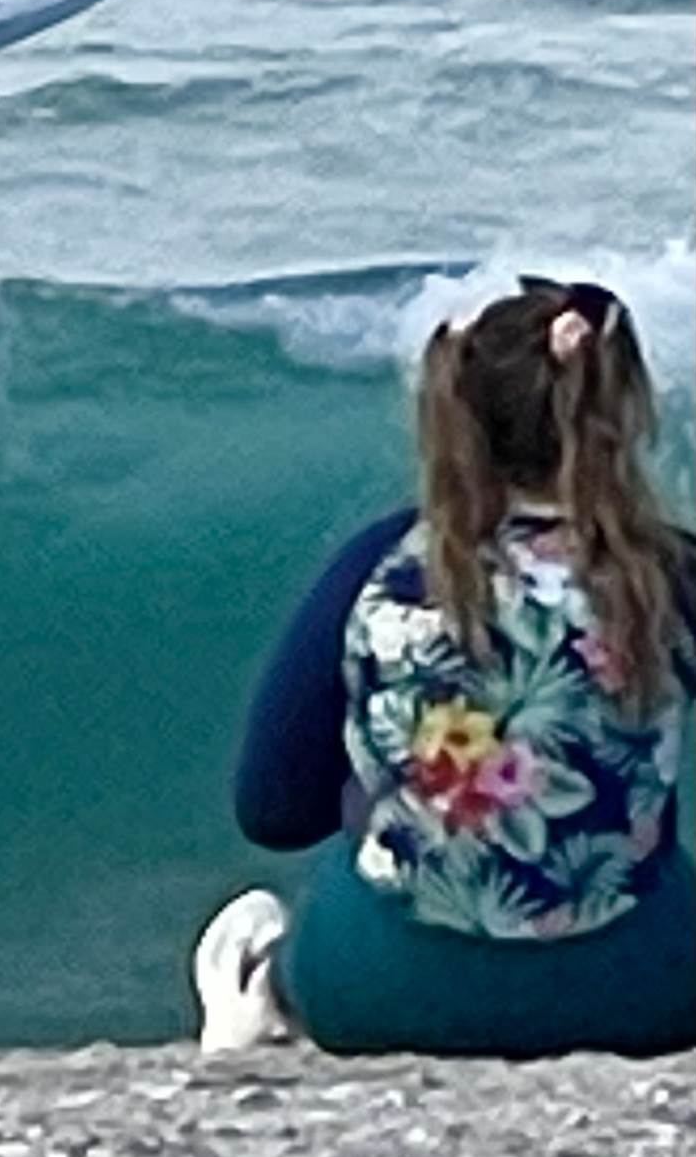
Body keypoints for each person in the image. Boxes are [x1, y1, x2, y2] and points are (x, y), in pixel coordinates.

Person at [209, 277, 694, 1060]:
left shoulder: (381, 565)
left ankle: (254, 1002)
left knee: (309, 900)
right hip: (644, 993)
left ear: (457, 415)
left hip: (381, 990)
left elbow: (272, 809)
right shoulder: (669, 574)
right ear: (625, 412)